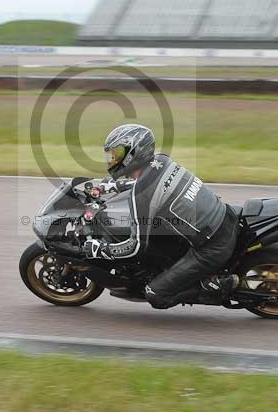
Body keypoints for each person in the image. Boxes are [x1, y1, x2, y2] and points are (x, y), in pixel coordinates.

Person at [81, 123, 241, 309]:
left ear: (134, 153)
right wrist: (114, 186)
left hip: (213, 246)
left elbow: (136, 247)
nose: (112, 159)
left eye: (116, 154)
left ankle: (215, 285)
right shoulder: (161, 161)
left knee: (156, 295)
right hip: (224, 216)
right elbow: (153, 185)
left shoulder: (141, 196)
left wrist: (100, 249)